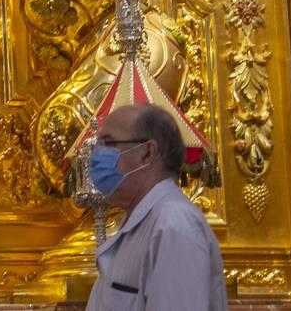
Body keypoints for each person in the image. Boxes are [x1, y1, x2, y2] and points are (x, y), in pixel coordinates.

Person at [85, 103, 227, 310]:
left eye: (108, 143)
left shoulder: (174, 225)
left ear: (147, 153)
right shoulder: (141, 222)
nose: (96, 156)